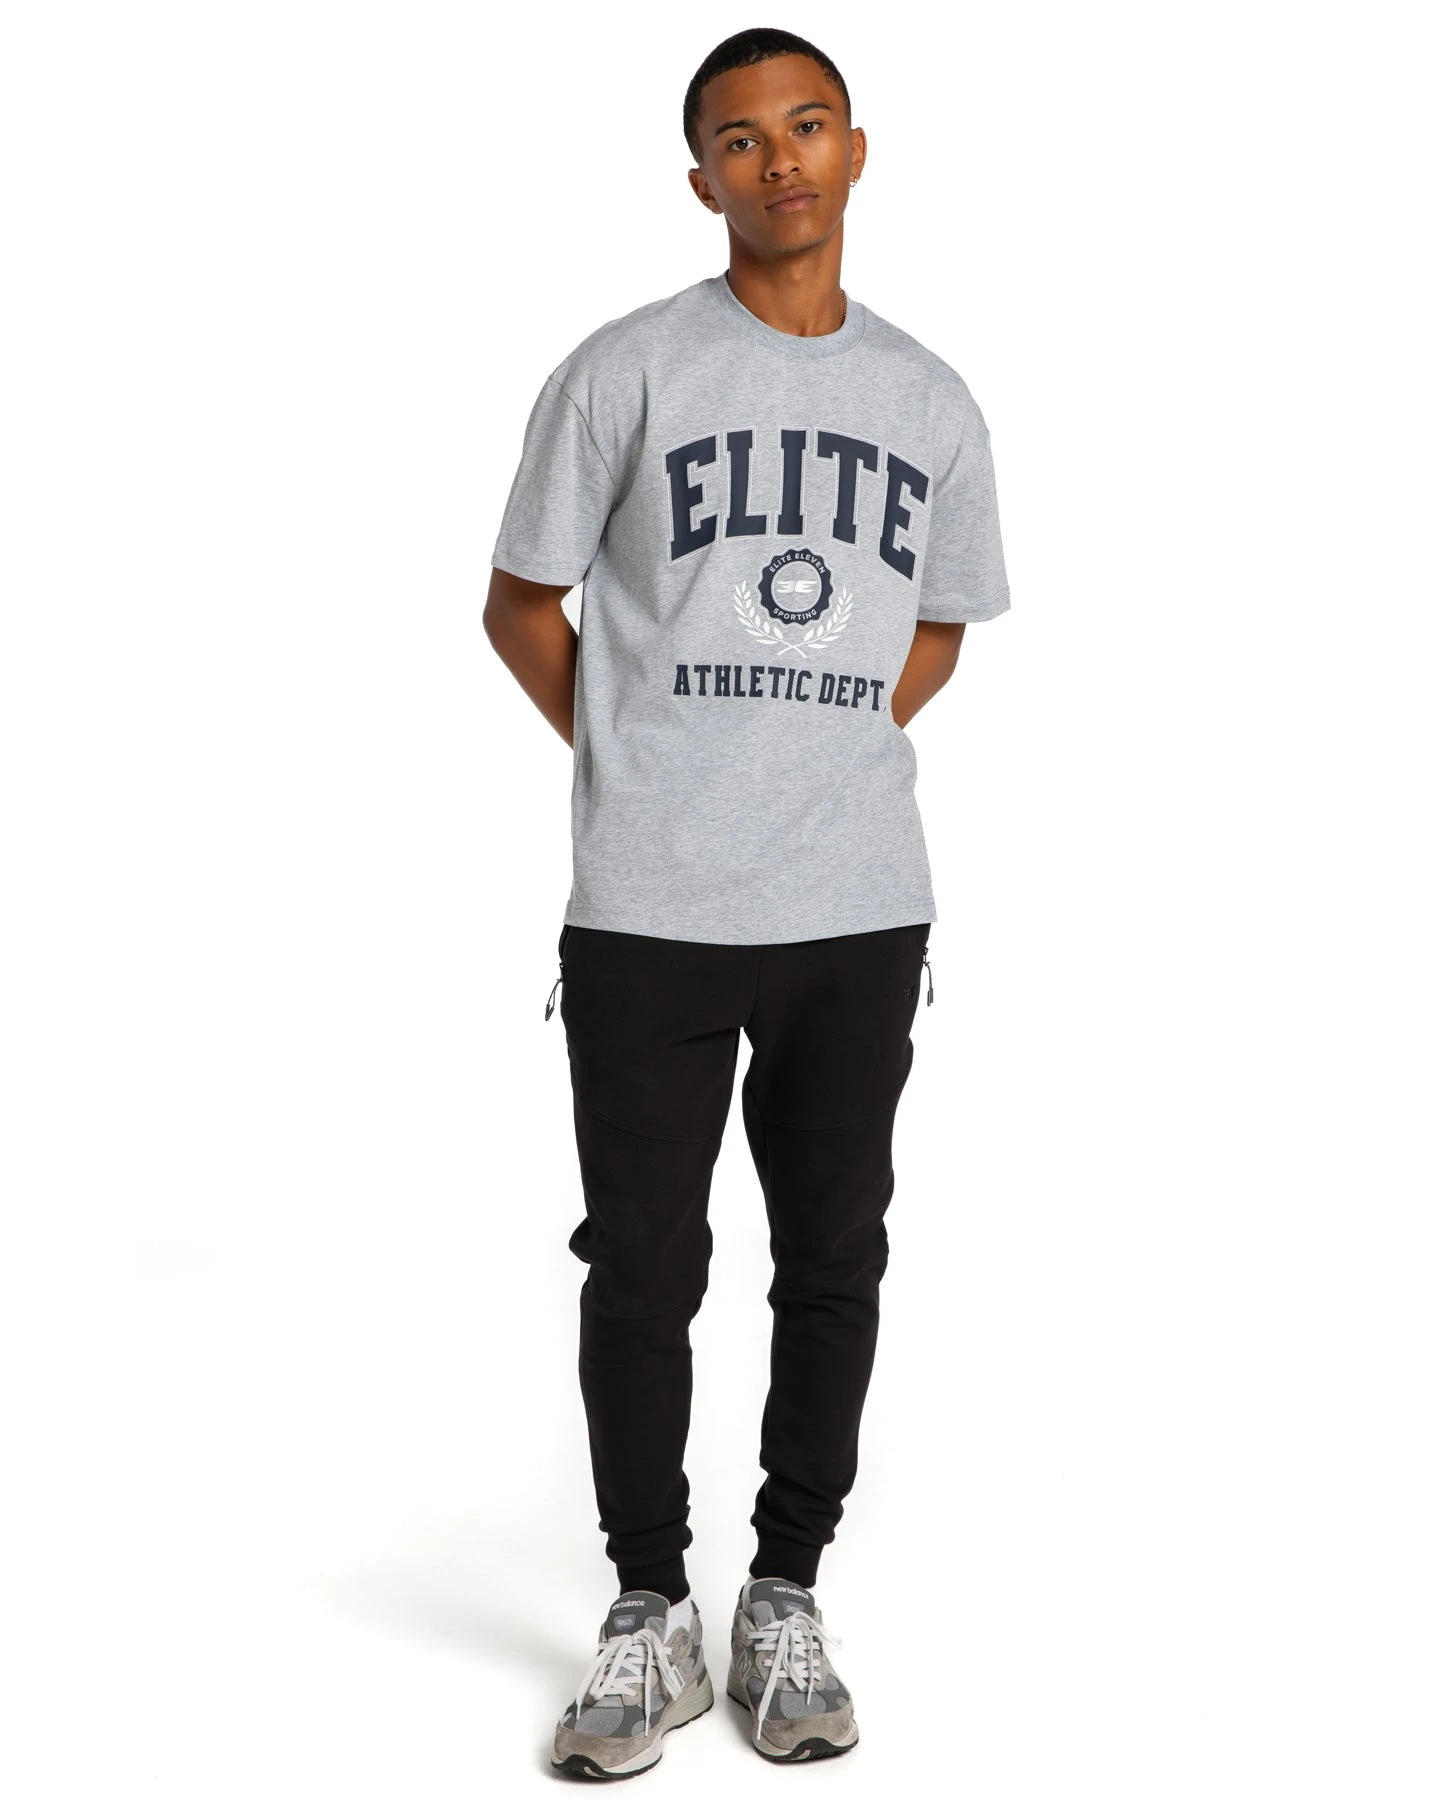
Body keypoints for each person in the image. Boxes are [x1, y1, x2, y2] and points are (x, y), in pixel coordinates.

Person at [484, 27, 1010, 1779]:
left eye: (806, 126)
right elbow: (521, 605)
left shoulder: (931, 400)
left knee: (835, 1255)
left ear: (856, 149)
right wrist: (646, 756)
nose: (777, 158)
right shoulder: (625, 370)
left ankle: (786, 1591)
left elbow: (937, 627)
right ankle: (651, 1607)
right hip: (648, 905)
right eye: (738, 137)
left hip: (856, 907)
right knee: (643, 1264)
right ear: (700, 176)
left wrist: (814, 754)